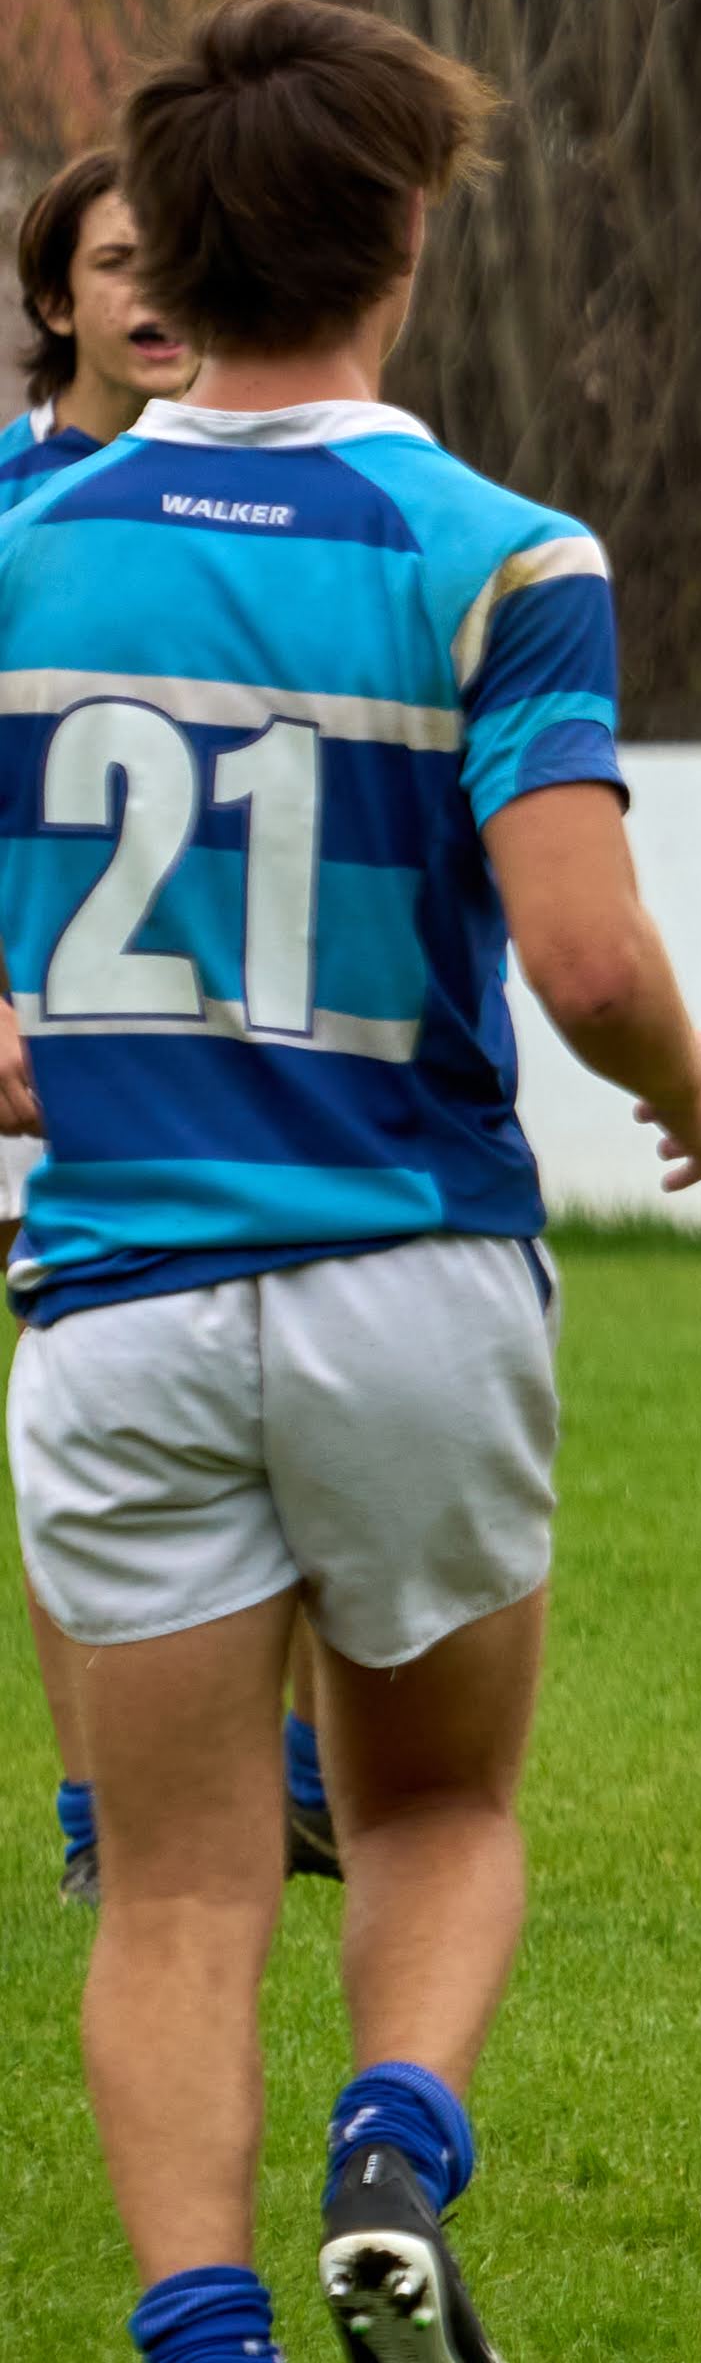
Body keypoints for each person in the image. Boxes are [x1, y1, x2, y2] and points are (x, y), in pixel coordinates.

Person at [1, 0, 701, 2363]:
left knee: (179, 1885)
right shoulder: (499, 554)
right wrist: (679, 1072)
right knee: (428, 1809)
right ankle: (397, 2134)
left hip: (113, 1295)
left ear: (164, 258)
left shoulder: (30, 539)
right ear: (405, 236)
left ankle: (199, 2329)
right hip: (408, 1274)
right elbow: (587, 945)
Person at [5, 152, 344, 1909]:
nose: (153, 299)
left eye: (176, 265)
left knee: (264, 1406)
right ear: (52, 296)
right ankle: (98, 1818)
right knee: (77, 1430)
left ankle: (288, 1780)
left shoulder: (239, 496)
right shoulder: (18, 515)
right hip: (37, 1035)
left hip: (203, 1032)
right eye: (115, 264)